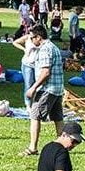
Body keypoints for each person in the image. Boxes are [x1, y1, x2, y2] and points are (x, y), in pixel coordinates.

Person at [22, 24, 63, 157]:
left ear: (39, 37)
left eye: (32, 38)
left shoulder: (45, 49)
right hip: (57, 88)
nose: (31, 41)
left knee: (35, 116)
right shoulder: (54, 47)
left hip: (47, 88)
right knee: (58, 118)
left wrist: (33, 87)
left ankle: (32, 147)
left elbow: (45, 72)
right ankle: (63, 146)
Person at [12, 29, 38, 109]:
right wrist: (24, 49)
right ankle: (28, 105)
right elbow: (15, 42)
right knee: (29, 84)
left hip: (38, 65)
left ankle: (35, 103)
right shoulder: (27, 38)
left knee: (37, 84)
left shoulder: (40, 40)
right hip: (27, 64)